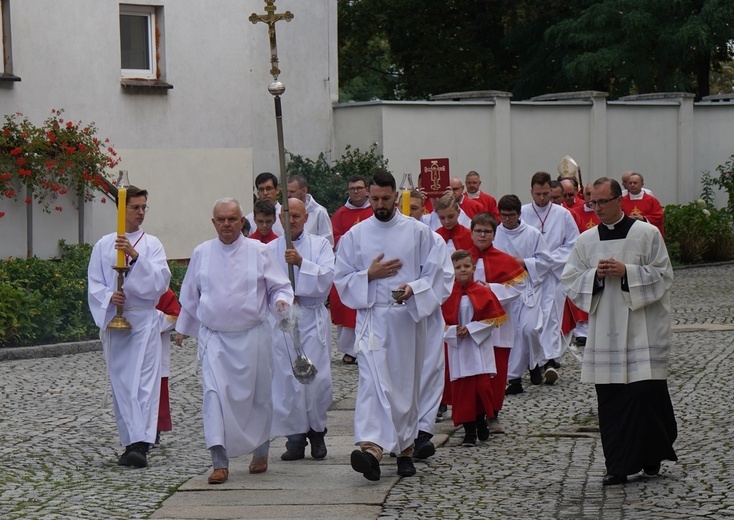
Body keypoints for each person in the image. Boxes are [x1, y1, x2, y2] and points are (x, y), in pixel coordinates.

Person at [334, 168, 452, 481]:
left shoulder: (419, 233)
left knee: (403, 388)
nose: (380, 204)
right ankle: (371, 448)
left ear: (397, 197)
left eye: (386, 198)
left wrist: (414, 289)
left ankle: (405, 451)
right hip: (373, 318)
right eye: (374, 199)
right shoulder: (355, 236)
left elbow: (441, 273)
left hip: (406, 320)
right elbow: (341, 278)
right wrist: (368, 275)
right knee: (373, 385)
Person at [561, 177, 677, 486]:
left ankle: (651, 456)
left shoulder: (647, 234)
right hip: (606, 331)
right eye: (592, 203)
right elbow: (570, 279)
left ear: (618, 200)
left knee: (644, 394)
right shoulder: (586, 241)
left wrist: (628, 272)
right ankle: (619, 465)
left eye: (602, 202)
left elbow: (664, 276)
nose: (596, 208)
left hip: (643, 329)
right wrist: (594, 278)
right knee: (611, 398)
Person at [175, 198, 294, 484]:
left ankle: (260, 451)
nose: (226, 224)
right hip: (215, 340)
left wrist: (280, 302)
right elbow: (191, 294)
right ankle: (219, 461)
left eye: (232, 219)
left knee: (258, 397)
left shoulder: (260, 251)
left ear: (242, 221)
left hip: (253, 337)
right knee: (213, 397)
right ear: (213, 222)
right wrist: (182, 327)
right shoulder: (202, 252)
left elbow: (279, 285)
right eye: (221, 219)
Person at [88, 186, 171, 468]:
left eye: (144, 207)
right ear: (122, 210)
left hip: (144, 320)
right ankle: (130, 441)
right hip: (116, 321)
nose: (140, 212)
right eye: (135, 207)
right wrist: (109, 297)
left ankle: (141, 445)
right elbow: (95, 284)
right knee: (123, 384)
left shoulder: (152, 244)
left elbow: (160, 283)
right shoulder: (103, 245)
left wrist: (134, 256)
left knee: (145, 385)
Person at [269, 198, 335, 461]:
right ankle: (294, 438)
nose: (292, 220)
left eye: (296, 215)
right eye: (287, 216)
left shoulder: (320, 245)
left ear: (306, 218)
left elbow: (329, 277)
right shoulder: (270, 249)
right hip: (284, 320)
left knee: (316, 380)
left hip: (311, 316)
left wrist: (301, 263)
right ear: (280, 218)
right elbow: (265, 284)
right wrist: (281, 298)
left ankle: (317, 432)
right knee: (287, 381)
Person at [442, 249, 507, 446]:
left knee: (482, 387)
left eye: (466, 266)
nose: (462, 270)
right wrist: (453, 331)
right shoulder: (446, 294)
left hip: (478, 348)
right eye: (458, 267)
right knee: (463, 392)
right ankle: (469, 432)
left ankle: (481, 420)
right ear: (451, 270)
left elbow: (493, 319)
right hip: (459, 350)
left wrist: (471, 329)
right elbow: (438, 323)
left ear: (473, 268)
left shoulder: (483, 292)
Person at [492, 195, 554, 395]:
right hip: (505, 290)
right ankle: (515, 378)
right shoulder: (495, 233)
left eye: (511, 215)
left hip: (528, 287)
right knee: (512, 335)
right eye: (503, 216)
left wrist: (524, 262)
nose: (507, 219)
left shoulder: (532, 233)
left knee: (529, 330)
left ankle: (535, 362)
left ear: (519, 214)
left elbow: (546, 261)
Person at [469, 213, 526, 432]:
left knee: (497, 371)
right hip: (472, 323)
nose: (482, 235)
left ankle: (494, 415)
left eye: (487, 231)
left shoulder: (504, 259)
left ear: (494, 234)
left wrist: (490, 289)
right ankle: (473, 415)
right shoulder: (462, 258)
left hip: (498, 326)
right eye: (478, 231)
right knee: (473, 371)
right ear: (472, 232)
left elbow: (518, 287)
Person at [521, 172, 579, 382]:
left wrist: (547, 261)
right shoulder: (522, 212)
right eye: (538, 194)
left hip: (553, 274)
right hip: (529, 275)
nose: (543, 198)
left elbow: (572, 243)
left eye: (547, 194)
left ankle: (550, 360)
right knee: (531, 320)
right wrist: (534, 264)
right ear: (531, 192)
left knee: (551, 317)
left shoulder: (563, 214)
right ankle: (533, 360)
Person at [407, 191, 453, 459]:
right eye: (406, 208)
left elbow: (445, 279)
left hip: (427, 316)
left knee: (428, 372)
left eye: (415, 208)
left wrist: (416, 295)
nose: (410, 213)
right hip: (395, 320)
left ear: (423, 209)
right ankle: (400, 434)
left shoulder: (434, 240)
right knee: (400, 376)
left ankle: (423, 433)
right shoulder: (389, 241)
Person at [329, 175, 374, 365]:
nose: (355, 191)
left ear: (366, 190)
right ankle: (349, 350)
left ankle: (369, 346)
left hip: (370, 266)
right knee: (347, 307)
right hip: (349, 265)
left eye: (359, 188)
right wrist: (351, 237)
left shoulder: (374, 210)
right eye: (352, 188)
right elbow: (334, 238)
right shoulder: (340, 214)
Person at [154, 288, 181, 448]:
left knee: (157, 391)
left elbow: (173, 315)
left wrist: (147, 319)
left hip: (157, 346)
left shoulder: (163, 291)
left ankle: (155, 429)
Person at [287, 174, 334, 246]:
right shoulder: (284, 211)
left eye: (292, 192)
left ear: (304, 190)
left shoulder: (319, 212)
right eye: (287, 191)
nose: (288, 195)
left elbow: (327, 243)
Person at [620, 172, 665, 237]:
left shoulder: (651, 200)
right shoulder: (621, 201)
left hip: (646, 234)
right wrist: (627, 219)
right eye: (630, 183)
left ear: (642, 184)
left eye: (635, 183)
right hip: (628, 234)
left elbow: (659, 216)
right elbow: (617, 216)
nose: (632, 185)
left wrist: (643, 218)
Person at [245, 172, 285, 236]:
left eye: (269, 188)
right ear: (258, 193)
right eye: (261, 189)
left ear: (277, 190)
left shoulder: (286, 215)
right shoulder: (249, 219)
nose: (265, 193)